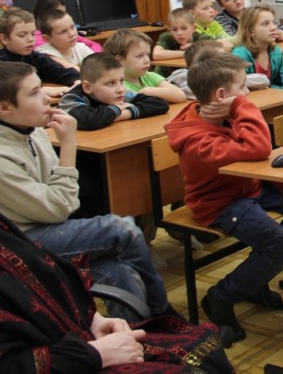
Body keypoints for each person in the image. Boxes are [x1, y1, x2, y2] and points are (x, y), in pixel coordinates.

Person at [165, 53, 283, 347]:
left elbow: (260, 161)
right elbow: (259, 149)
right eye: (242, 87)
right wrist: (241, 106)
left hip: (249, 189)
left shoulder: (225, 116)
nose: (247, 93)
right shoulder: (200, 142)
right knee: (280, 243)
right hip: (219, 203)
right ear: (221, 96)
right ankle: (221, 297)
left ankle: (256, 278)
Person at [0, 62, 172, 320]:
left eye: (42, 89)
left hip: (49, 225)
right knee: (122, 229)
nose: (47, 98)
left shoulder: (32, 130)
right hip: (21, 244)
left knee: (121, 274)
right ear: (5, 108)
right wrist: (69, 144)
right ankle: (163, 315)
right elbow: (59, 208)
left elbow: (61, 200)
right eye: (34, 93)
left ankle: (139, 336)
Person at [0, 212, 233, 372]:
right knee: (123, 231)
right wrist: (95, 353)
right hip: (64, 360)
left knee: (204, 345)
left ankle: (159, 312)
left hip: (73, 339)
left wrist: (92, 318)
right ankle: (163, 309)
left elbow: (40, 266)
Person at [59, 52, 169, 130]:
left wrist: (124, 114)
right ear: (87, 87)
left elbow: (160, 104)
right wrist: (118, 108)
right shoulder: (71, 99)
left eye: (121, 81)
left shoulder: (118, 94)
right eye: (111, 83)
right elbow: (89, 120)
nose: (121, 89)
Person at [0, 7, 80, 98]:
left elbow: (62, 73)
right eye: (22, 35)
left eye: (33, 34)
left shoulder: (37, 58)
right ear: (4, 39)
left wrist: (76, 80)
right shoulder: (2, 63)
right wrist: (41, 90)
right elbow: (9, 88)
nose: (30, 39)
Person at [166, 39, 270, 101]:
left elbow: (264, 80)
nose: (225, 60)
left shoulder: (227, 76)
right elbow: (198, 93)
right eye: (220, 58)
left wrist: (236, 82)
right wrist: (233, 83)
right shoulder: (181, 77)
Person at [103, 28, 187, 104]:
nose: (147, 60)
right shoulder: (118, 86)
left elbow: (181, 96)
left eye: (148, 55)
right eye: (139, 56)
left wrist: (148, 91)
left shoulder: (150, 76)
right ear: (120, 60)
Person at [230, 4, 283, 89]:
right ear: (251, 31)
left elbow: (282, 85)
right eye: (265, 24)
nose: (273, 28)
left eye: (273, 22)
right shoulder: (240, 55)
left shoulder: (276, 51)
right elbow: (237, 87)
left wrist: (269, 91)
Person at [214, 0, 283, 41]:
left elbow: (280, 27)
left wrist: (282, 32)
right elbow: (232, 40)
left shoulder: (253, 12)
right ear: (222, 5)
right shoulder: (221, 19)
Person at [30, 0, 103, 53]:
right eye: (57, 13)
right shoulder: (38, 42)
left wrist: (92, 58)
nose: (63, 16)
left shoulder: (69, 33)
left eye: (64, 12)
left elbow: (94, 45)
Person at [152, 7, 208, 76]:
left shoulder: (200, 37)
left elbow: (219, 46)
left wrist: (193, 47)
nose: (179, 33)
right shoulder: (166, 37)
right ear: (170, 31)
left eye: (184, 28)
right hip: (163, 77)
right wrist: (187, 52)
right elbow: (156, 54)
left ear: (193, 28)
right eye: (174, 30)